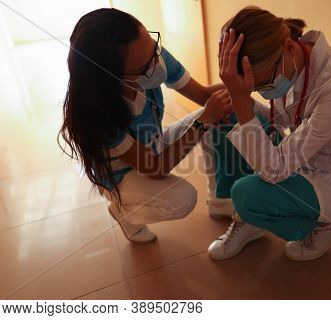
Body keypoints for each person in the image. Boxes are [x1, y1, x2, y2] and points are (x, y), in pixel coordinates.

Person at [207, 6, 331, 261]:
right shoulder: (292, 62)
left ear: (289, 47)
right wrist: (237, 101)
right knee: (226, 116)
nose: (263, 91)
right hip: (300, 155)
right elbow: (283, 120)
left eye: (264, 84)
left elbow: (274, 170)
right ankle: (251, 220)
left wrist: (241, 99)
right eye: (255, 88)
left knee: (246, 193)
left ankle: (324, 224)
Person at [59, 8, 232, 244]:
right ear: (110, 78)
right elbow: (156, 168)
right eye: (143, 68)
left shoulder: (148, 57)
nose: (157, 64)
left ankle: (220, 200)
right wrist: (203, 122)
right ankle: (124, 211)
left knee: (215, 113)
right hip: (123, 173)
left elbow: (203, 95)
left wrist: (239, 82)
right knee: (183, 199)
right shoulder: (100, 114)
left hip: (153, 145)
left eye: (155, 48)